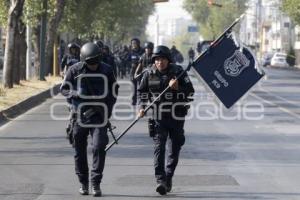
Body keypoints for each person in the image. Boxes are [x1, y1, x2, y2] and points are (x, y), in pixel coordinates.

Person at [60, 42, 118, 197]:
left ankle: (95, 183)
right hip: (79, 116)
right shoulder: (74, 70)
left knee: (99, 147)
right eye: (90, 62)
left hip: (100, 116)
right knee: (79, 151)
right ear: (83, 59)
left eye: (96, 61)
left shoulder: (107, 70)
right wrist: (75, 94)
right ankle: (83, 183)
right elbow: (64, 89)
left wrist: (108, 110)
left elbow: (114, 91)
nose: (93, 65)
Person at [137, 45, 194, 195]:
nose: (159, 62)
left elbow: (190, 91)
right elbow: (141, 93)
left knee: (174, 147)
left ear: (168, 60)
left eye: (162, 59)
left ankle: (168, 177)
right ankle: (160, 179)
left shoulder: (179, 72)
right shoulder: (148, 74)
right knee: (159, 147)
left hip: (176, 116)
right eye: (156, 59)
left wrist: (177, 89)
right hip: (158, 116)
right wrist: (141, 107)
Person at [128, 38, 144, 105]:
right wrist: (130, 65)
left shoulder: (143, 51)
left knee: (142, 86)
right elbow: (127, 61)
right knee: (133, 87)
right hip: (133, 71)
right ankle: (134, 100)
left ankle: (142, 100)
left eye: (135, 43)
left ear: (138, 43)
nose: (133, 45)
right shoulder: (131, 52)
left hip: (141, 71)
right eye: (132, 43)